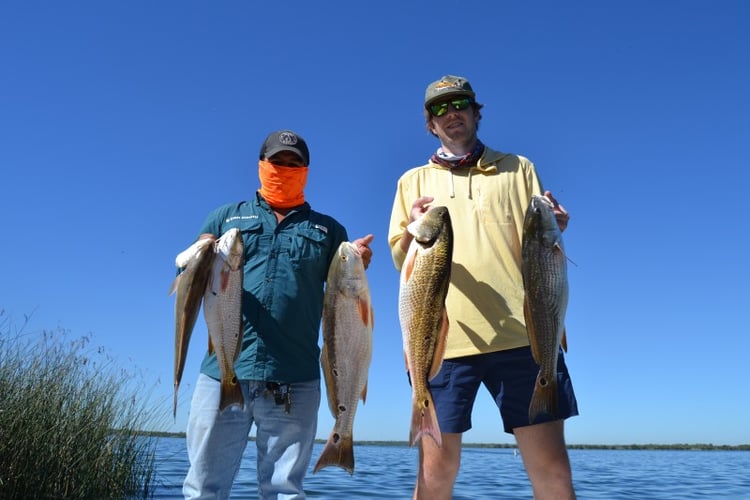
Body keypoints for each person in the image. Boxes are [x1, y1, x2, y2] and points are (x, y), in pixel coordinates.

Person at [387, 75, 578, 500]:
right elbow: (402, 260)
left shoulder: (518, 167)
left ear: (477, 112)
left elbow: (537, 235)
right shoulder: (410, 182)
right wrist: (412, 233)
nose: (450, 114)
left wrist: (555, 226)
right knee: (436, 474)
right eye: (439, 109)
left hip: (524, 337)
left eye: (459, 105)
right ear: (429, 124)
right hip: (442, 343)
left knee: (551, 471)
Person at [183, 129, 374, 500]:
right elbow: (189, 281)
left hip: (294, 379)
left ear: (306, 170)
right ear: (261, 165)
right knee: (203, 487)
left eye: (294, 163)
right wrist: (196, 258)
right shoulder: (224, 218)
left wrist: (360, 263)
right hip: (223, 372)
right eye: (277, 162)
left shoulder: (329, 230)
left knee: (285, 491)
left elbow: (344, 297)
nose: (284, 169)